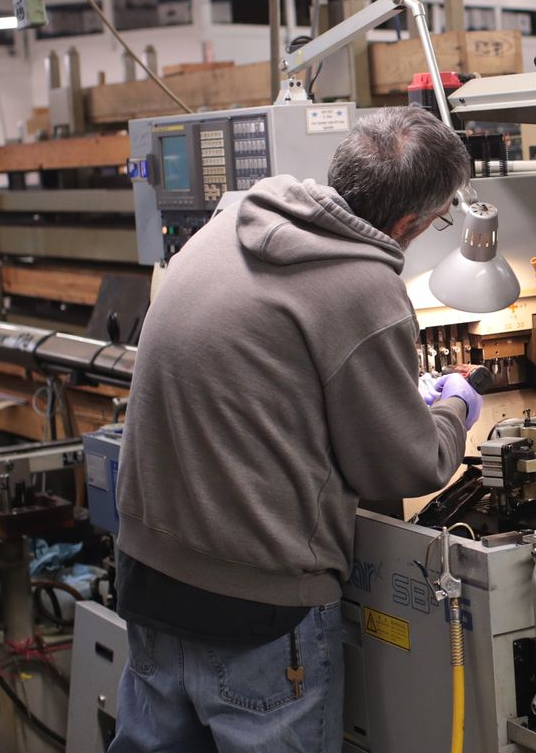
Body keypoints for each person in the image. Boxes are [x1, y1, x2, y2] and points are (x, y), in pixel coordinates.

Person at [110, 108, 484, 752]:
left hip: (148, 578)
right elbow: (406, 466)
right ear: (409, 223)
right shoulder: (362, 286)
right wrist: (455, 408)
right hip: (257, 609)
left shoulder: (226, 225)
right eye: (441, 219)